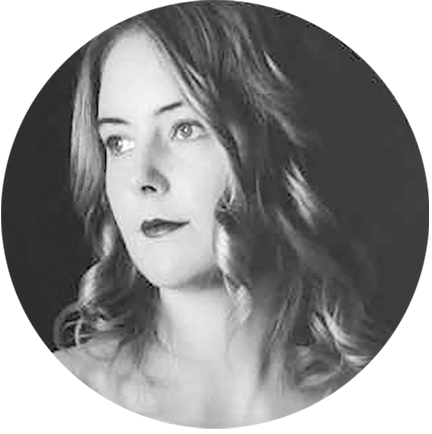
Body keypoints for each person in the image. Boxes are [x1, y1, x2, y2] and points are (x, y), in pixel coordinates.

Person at [52, 0, 394, 427]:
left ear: (272, 139)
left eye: (185, 129)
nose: (141, 178)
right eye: (118, 142)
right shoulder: (54, 395)